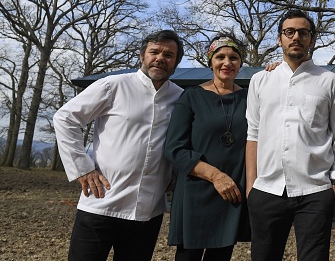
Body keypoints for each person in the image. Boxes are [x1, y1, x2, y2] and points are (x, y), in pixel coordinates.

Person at [54, 30, 184, 261]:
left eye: (169, 55)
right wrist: (83, 168)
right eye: (154, 52)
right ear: (142, 55)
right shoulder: (113, 85)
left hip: (148, 212)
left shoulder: (180, 98)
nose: (160, 58)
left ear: (176, 62)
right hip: (101, 204)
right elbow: (65, 118)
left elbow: (180, 140)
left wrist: (174, 173)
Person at [245, 9, 335, 261]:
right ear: (279, 38)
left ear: (312, 39)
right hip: (267, 189)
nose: (296, 37)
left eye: (303, 33)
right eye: (289, 32)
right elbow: (253, 133)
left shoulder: (329, 81)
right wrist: (252, 186)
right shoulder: (261, 80)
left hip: (316, 190)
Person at [164, 32, 250, 261]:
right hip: (196, 192)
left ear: (241, 63)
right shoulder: (191, 97)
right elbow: (175, 148)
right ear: (210, 60)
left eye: (234, 57)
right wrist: (215, 176)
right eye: (220, 56)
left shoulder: (250, 98)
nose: (227, 63)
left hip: (231, 193)